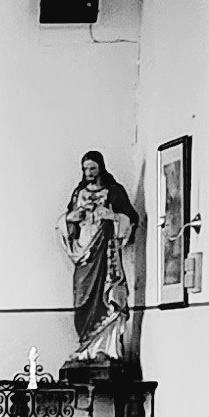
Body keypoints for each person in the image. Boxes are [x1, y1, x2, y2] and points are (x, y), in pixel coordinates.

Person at [61, 149, 138, 366]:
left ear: (101, 168)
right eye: (85, 169)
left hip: (105, 252)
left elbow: (131, 219)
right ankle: (86, 347)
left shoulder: (114, 192)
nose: (88, 173)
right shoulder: (78, 194)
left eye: (92, 168)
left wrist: (112, 216)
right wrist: (71, 218)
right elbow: (67, 223)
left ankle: (107, 348)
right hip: (84, 253)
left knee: (107, 294)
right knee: (82, 298)